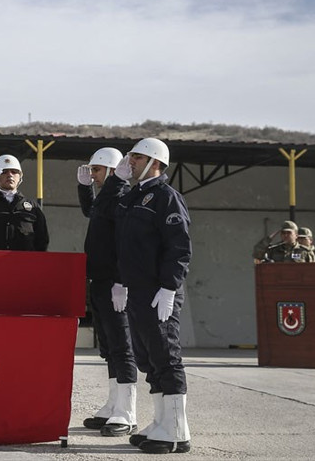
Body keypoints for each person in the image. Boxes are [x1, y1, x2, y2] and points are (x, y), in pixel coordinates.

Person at [102, 137, 192, 454]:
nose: (130, 162)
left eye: (136, 158)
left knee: (166, 356)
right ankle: (161, 422)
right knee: (148, 358)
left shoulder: (167, 198)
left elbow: (179, 247)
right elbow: (114, 235)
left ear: (155, 161)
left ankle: (178, 430)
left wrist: (169, 286)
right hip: (136, 291)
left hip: (158, 292)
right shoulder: (131, 198)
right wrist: (119, 281)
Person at [77, 147, 138, 437]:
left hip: (115, 282)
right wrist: (83, 189)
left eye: (97, 170)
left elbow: (125, 245)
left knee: (122, 347)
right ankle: (114, 404)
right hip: (100, 281)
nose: (93, 175)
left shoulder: (122, 198)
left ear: (113, 171)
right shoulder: (108, 198)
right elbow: (92, 210)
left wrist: (121, 281)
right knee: (110, 348)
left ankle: (127, 412)